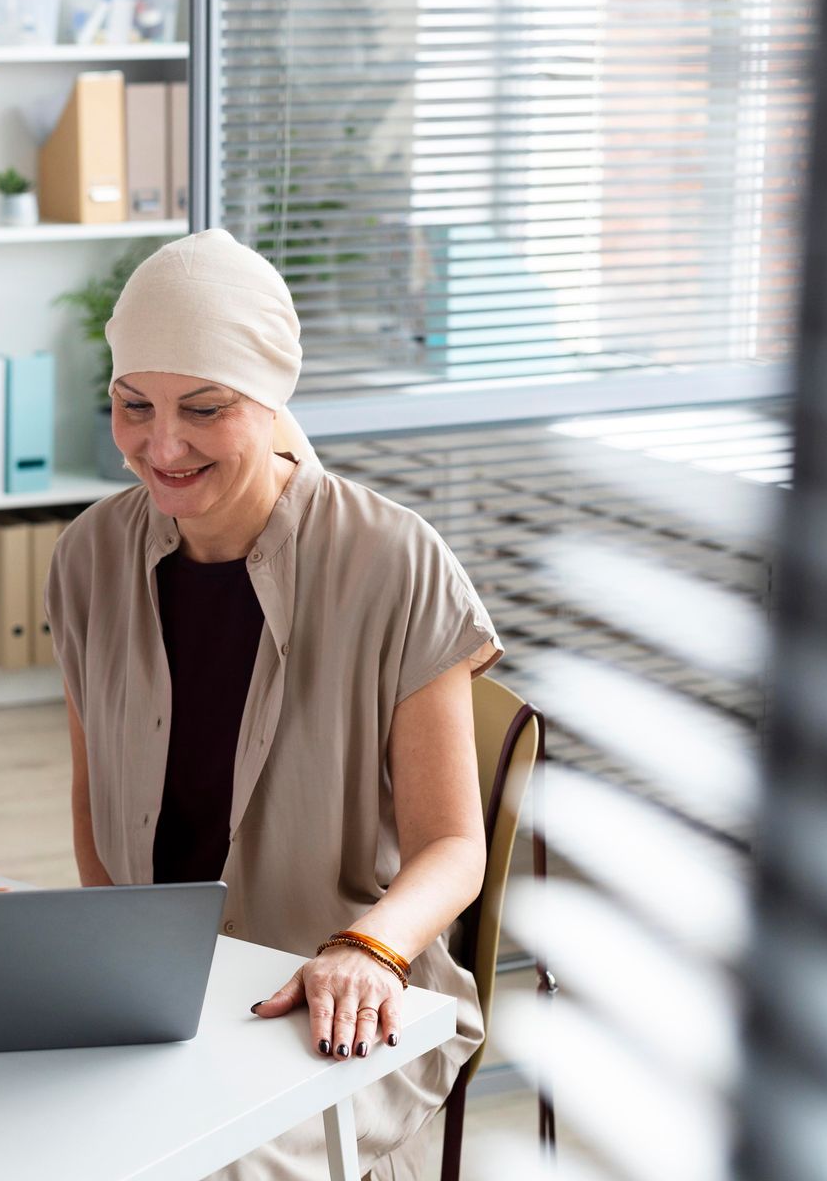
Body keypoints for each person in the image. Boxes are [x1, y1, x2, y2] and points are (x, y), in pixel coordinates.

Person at [45, 230, 500, 1180]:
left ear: (271, 396)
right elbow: (94, 813)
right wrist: (113, 974)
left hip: (345, 994)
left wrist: (367, 949)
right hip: (158, 990)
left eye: (203, 409)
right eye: (134, 406)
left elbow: (453, 847)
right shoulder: (89, 557)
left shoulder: (393, 561)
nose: (161, 446)